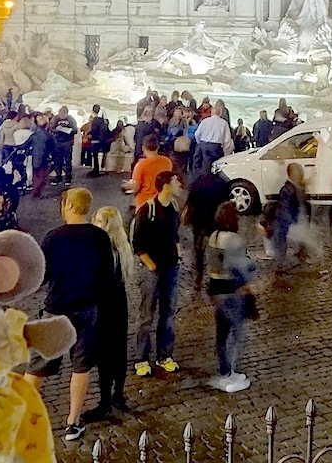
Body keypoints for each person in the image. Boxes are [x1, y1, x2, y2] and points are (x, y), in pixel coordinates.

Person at [33, 186, 116, 442]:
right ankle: (72, 422)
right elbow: (107, 276)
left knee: (37, 367)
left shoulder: (53, 238)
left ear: (68, 206)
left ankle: (25, 413)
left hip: (57, 310)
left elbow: (42, 276)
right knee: (81, 366)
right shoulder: (99, 237)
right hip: (88, 309)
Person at [133, 170, 182, 377]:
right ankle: (141, 358)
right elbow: (137, 243)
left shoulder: (174, 207)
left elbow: (175, 234)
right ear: (166, 185)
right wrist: (151, 265)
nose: (179, 184)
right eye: (175, 181)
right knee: (147, 315)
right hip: (153, 270)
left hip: (171, 267)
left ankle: (164, 355)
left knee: (168, 314)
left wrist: (178, 253)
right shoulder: (147, 210)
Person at [206, 202, 256, 392]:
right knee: (236, 334)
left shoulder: (214, 237)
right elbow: (240, 268)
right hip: (232, 291)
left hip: (216, 291)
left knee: (222, 334)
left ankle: (224, 370)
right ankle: (230, 371)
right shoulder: (235, 240)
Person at [89, 206, 133, 419]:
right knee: (119, 349)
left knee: (104, 354)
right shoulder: (122, 247)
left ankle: (105, 401)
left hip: (104, 306)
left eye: (97, 220)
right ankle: (119, 395)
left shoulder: (102, 249)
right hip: (119, 304)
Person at [184, 164, 228, 286]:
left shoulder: (196, 182)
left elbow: (190, 201)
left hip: (198, 221)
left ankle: (198, 277)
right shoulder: (221, 182)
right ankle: (215, 278)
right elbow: (225, 203)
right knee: (216, 248)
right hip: (214, 221)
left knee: (198, 250)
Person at [271, 163, 305, 269]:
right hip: (282, 223)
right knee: (281, 244)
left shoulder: (292, 188)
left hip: (286, 222)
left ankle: (281, 264)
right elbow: (284, 208)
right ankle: (279, 266)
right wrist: (291, 222)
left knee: (283, 243)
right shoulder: (287, 190)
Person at [125, 136, 173, 210]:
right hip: (163, 201)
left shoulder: (141, 165)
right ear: (158, 146)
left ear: (143, 148)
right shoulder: (167, 162)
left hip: (144, 203)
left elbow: (136, 187)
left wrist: (126, 186)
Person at [51, 106, 78, 185]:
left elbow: (75, 130)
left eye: (63, 114)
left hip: (67, 141)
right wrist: (57, 130)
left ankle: (68, 178)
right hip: (58, 141)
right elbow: (51, 128)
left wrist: (69, 130)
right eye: (60, 113)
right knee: (57, 159)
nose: (62, 115)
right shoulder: (56, 119)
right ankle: (58, 177)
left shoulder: (71, 119)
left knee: (67, 160)